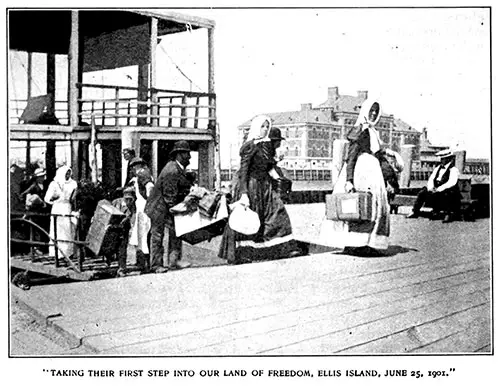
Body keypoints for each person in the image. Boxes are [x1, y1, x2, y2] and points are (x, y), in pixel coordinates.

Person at [218, 116, 300, 265]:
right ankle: (245, 253)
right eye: (262, 127)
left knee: (277, 210)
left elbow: (267, 166)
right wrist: (243, 194)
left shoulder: (266, 146)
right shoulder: (249, 146)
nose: (265, 130)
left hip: (265, 185)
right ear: (256, 127)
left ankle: (283, 248)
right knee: (251, 218)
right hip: (251, 185)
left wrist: (276, 169)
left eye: (267, 127)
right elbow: (244, 170)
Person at [320, 98, 390, 256]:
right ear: (365, 111)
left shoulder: (373, 132)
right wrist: (349, 180)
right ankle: (355, 243)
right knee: (358, 205)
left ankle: (365, 242)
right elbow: (351, 157)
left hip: (373, 173)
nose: (373, 114)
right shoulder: (359, 130)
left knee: (373, 206)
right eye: (371, 111)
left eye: (375, 112)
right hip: (361, 172)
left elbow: (379, 156)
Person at [144, 140, 193, 273]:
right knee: (157, 236)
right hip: (158, 208)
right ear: (179, 154)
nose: (189, 157)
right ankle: (156, 265)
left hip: (164, 206)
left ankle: (174, 261)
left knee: (176, 231)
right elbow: (169, 196)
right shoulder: (172, 170)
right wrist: (178, 210)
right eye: (187, 153)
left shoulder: (176, 168)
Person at [407, 149, 461, 223]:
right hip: (436, 188)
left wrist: (439, 189)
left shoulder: (453, 169)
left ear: (449, 159)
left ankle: (447, 214)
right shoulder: (437, 168)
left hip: (447, 189)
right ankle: (415, 211)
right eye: (441, 159)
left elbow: (451, 183)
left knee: (447, 194)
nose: (442, 160)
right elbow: (431, 179)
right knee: (422, 192)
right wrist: (431, 188)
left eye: (444, 159)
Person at [44, 165, 78, 258]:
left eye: (69, 173)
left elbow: (73, 198)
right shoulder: (54, 184)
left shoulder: (73, 183)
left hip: (67, 207)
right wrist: (53, 198)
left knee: (67, 230)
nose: (67, 175)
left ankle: (67, 252)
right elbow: (47, 198)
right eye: (66, 173)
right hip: (58, 207)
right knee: (57, 230)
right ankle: (56, 252)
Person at [129, 167, 154, 273]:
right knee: (140, 238)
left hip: (144, 210)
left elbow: (150, 186)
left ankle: (146, 265)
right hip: (141, 209)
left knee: (143, 237)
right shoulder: (137, 179)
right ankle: (143, 264)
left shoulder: (143, 175)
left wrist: (149, 197)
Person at [21, 168, 50, 254]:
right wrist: (30, 200)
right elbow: (23, 195)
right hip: (35, 210)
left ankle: (42, 247)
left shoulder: (46, 185)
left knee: (43, 229)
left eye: (43, 176)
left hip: (43, 210)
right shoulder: (33, 186)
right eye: (40, 176)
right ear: (37, 178)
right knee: (36, 228)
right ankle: (35, 248)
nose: (42, 178)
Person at [111, 186, 137, 277]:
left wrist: (129, 221)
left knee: (122, 248)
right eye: (127, 199)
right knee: (112, 247)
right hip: (113, 228)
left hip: (124, 229)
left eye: (130, 199)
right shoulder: (116, 202)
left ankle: (122, 268)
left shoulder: (133, 206)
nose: (128, 201)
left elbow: (132, 216)